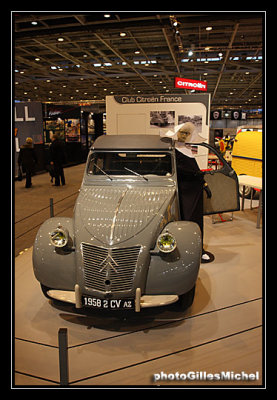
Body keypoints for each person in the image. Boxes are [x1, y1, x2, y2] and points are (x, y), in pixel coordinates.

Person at [163, 122, 214, 263]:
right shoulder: (171, 150)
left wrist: (202, 182)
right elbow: (176, 169)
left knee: (196, 220)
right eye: (182, 132)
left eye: (187, 133)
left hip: (194, 191)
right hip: (183, 191)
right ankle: (184, 250)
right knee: (185, 220)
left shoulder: (187, 149)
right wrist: (197, 174)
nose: (184, 136)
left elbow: (192, 170)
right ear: (176, 132)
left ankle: (198, 249)